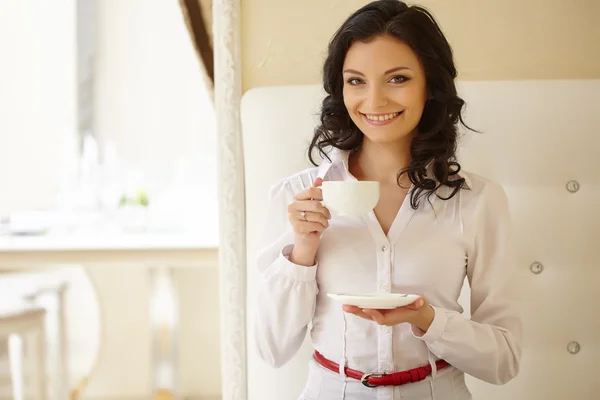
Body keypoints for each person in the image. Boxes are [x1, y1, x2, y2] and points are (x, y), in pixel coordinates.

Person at [253, 1, 523, 399]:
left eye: (397, 78)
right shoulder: (295, 198)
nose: (374, 101)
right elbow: (272, 350)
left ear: (430, 84)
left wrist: (429, 321)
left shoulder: (477, 201)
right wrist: (303, 251)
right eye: (356, 81)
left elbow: (504, 361)